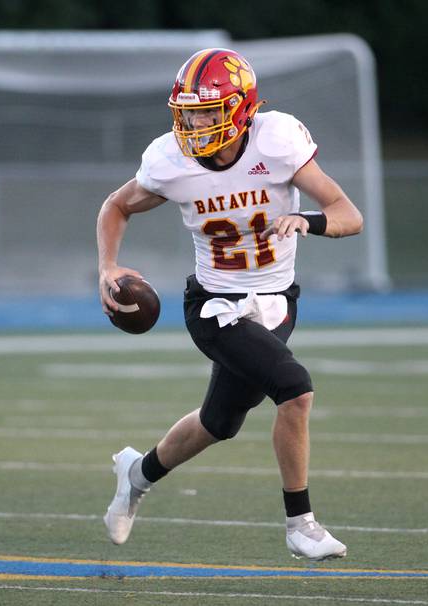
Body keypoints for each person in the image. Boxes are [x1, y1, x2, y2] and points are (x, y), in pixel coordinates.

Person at [96, 48, 363, 560]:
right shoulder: (171, 160)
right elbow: (116, 205)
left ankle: (137, 472)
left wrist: (308, 220)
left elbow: (348, 214)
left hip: (278, 302)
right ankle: (300, 523)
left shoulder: (278, 141)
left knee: (220, 422)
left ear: (241, 110)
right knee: (295, 389)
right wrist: (108, 266)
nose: (195, 122)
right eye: (189, 111)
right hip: (214, 304)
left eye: (207, 110)